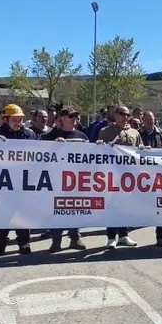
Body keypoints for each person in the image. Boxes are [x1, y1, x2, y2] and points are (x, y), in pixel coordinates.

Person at [0, 104, 38, 256]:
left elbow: (40, 153)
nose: (18, 123)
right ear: (6, 119)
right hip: (2, 183)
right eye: (15, 120)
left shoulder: (29, 134)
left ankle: (24, 243)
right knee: (1, 215)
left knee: (22, 214)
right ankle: (0, 243)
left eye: (21, 119)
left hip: (22, 182)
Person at [42, 108, 89, 252]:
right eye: (70, 116)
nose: (74, 119)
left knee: (75, 210)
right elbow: (41, 156)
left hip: (76, 180)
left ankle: (75, 238)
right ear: (61, 118)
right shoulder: (51, 135)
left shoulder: (82, 135)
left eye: (76, 116)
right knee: (58, 211)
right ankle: (56, 241)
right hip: (57, 180)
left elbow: (90, 157)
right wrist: (53, 146)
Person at [99, 105, 141, 249]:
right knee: (111, 206)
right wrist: (100, 146)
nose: (125, 116)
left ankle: (124, 235)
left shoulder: (135, 132)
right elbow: (97, 153)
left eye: (127, 114)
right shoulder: (105, 131)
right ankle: (111, 237)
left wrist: (144, 149)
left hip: (128, 175)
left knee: (125, 206)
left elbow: (140, 150)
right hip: (111, 175)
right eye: (122, 114)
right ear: (115, 115)